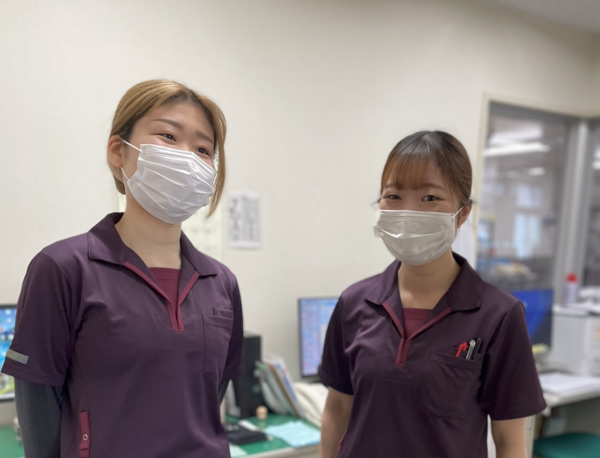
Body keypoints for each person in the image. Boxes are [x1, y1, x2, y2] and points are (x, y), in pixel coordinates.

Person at [1, 80, 243, 458]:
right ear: (118, 151)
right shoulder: (62, 269)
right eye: (168, 136)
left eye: (203, 149)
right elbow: (38, 406)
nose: (188, 158)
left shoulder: (222, 283)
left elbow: (211, 398)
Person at [319, 131, 546, 458]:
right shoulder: (354, 302)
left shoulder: (499, 315)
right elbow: (337, 411)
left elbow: (509, 442)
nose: (408, 212)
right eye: (393, 196)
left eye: (429, 198)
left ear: (462, 214)